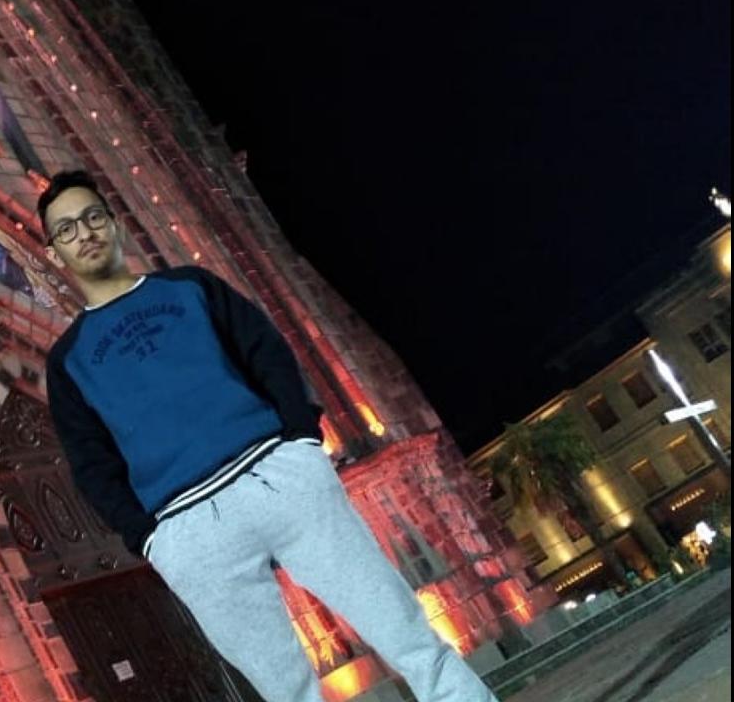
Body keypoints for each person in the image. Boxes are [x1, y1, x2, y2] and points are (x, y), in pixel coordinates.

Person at [39, 170, 498, 702]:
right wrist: (151, 538)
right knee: (286, 691)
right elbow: (91, 463)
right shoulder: (68, 361)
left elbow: (268, 353)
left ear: (115, 224)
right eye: (66, 229)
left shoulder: (190, 286)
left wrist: (301, 442)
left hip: (277, 476)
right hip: (189, 528)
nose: (84, 233)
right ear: (53, 252)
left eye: (93, 217)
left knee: (404, 630)